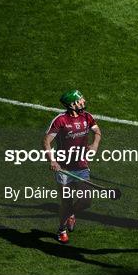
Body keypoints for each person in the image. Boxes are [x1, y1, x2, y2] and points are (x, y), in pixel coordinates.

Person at [44, 89, 102, 244]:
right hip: (63, 168)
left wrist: (95, 145)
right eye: (80, 99)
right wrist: (52, 161)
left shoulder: (87, 117)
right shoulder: (60, 120)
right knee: (66, 201)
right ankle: (61, 230)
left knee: (86, 201)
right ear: (72, 104)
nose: (83, 101)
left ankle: (71, 215)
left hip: (81, 166)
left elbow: (97, 132)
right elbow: (46, 142)